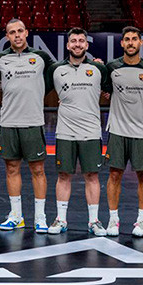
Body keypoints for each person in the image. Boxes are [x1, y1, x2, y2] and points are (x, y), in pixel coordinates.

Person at [0, 19, 54, 233]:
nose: (17, 35)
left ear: (26, 33)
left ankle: (40, 217)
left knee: (38, 169)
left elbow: (52, 80)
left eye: (20, 31)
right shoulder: (0, 58)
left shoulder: (41, 57)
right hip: (9, 121)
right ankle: (16, 216)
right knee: (12, 169)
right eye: (12, 32)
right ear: (7, 36)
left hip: (33, 122)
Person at [46, 28, 110, 235]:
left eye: (81, 41)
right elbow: (37, 90)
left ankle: (94, 221)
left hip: (91, 132)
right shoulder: (56, 69)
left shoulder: (99, 69)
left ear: (87, 45)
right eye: (73, 41)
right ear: (67, 45)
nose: (77, 44)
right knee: (64, 175)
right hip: (65, 132)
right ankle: (60, 220)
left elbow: (113, 92)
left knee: (92, 175)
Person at [104, 26, 143, 237]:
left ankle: (141, 221)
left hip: (142, 130)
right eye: (126, 39)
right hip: (117, 129)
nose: (130, 43)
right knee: (114, 175)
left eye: (134, 39)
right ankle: (113, 221)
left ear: (140, 43)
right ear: (122, 43)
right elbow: (105, 90)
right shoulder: (111, 67)